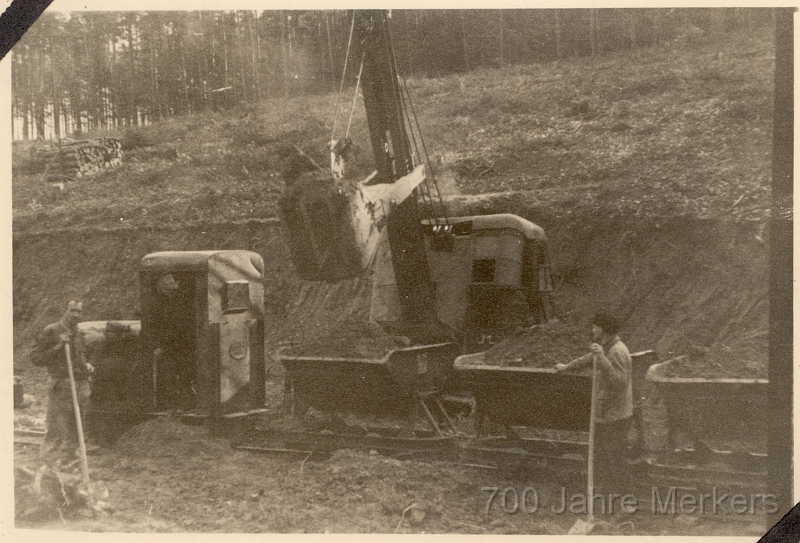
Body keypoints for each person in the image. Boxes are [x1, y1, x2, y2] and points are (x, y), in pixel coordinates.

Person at [555, 310, 633, 494]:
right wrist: (567, 366)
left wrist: (603, 358)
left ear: (603, 329)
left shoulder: (617, 351)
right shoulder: (606, 346)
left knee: (615, 459)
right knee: (601, 457)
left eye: (594, 327)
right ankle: (605, 495)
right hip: (606, 413)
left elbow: (620, 382)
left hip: (615, 415)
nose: (592, 330)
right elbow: (590, 358)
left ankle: (624, 498)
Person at [31, 300, 94, 468]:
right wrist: (58, 346)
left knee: (77, 425)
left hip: (81, 384)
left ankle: (69, 459)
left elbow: (80, 357)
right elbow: (36, 358)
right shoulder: (52, 330)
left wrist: (85, 365)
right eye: (72, 310)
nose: (76, 314)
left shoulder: (79, 332)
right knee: (57, 426)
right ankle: (49, 464)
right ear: (65, 311)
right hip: (63, 385)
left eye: (79, 312)